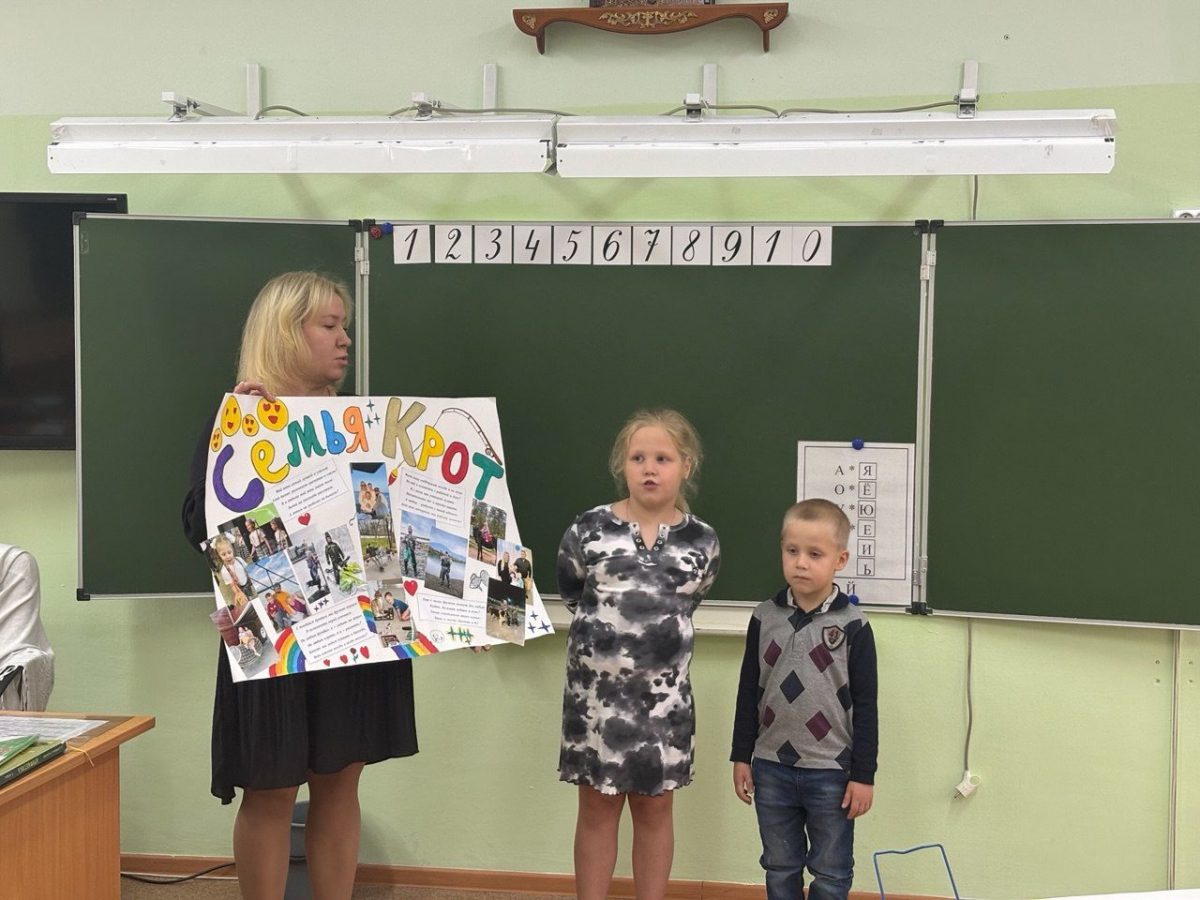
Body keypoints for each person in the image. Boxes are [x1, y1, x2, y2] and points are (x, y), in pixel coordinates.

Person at [181, 271, 417, 900]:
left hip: (356, 627)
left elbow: (386, 529)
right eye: (330, 325)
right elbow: (198, 525)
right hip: (272, 629)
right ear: (287, 333)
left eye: (345, 326)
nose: (345, 340)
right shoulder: (237, 418)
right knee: (271, 787)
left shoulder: (360, 424)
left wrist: (456, 609)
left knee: (341, 781)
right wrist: (239, 445)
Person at [556, 408, 721, 900]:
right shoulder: (588, 529)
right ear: (622, 466)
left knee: (655, 808)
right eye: (638, 458)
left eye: (663, 458)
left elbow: (690, 600)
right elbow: (572, 592)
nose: (650, 468)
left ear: (686, 466)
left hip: (664, 705)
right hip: (595, 702)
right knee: (597, 808)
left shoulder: (702, 540)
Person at [730, 499, 878, 900]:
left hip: (832, 771)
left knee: (831, 871)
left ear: (840, 559)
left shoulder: (854, 626)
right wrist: (741, 755)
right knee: (780, 865)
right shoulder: (764, 617)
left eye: (815, 554)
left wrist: (864, 775)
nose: (800, 563)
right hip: (771, 767)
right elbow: (748, 690)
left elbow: (866, 706)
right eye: (792, 551)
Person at [212, 535, 252, 608]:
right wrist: (238, 593)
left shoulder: (239, 559)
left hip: (247, 583)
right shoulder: (224, 571)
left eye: (229, 552)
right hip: (240, 588)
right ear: (219, 555)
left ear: (232, 550)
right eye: (223, 554)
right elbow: (232, 584)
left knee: (251, 597)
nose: (228, 556)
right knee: (246, 603)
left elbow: (248, 569)